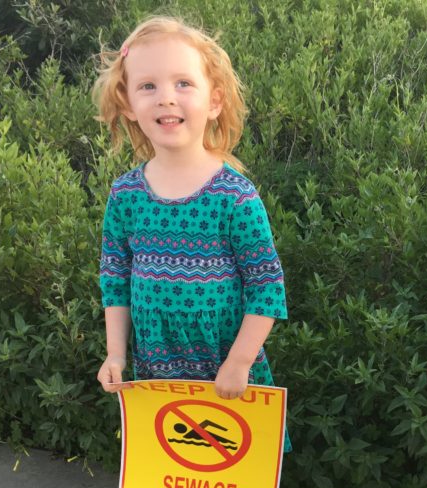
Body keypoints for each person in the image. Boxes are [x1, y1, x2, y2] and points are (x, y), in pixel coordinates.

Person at [92, 16, 288, 417]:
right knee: (169, 455)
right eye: (148, 86)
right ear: (128, 104)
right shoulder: (125, 196)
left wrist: (239, 362)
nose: (166, 98)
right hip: (156, 379)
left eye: (183, 83)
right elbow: (115, 279)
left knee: (231, 457)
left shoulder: (234, 197)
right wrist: (115, 354)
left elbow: (266, 287)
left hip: (228, 379)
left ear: (214, 101)